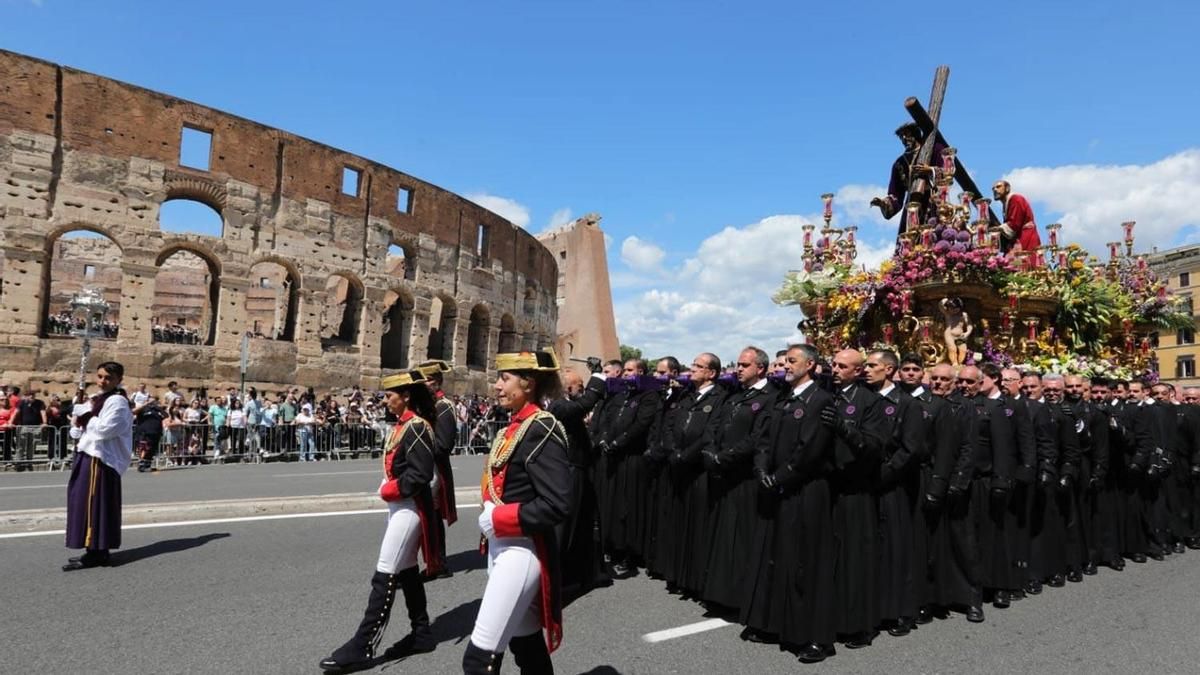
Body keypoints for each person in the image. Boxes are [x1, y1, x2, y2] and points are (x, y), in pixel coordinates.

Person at [320, 370, 439, 673]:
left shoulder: (416, 427)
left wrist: (389, 488)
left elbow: (421, 475)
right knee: (408, 572)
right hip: (398, 508)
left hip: (409, 508)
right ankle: (421, 632)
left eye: (390, 395)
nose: (386, 400)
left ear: (406, 395)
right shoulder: (402, 426)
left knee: (385, 573)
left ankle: (362, 645)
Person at [465, 349, 571, 674]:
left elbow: (557, 503)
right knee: (527, 650)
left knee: (478, 660)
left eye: (504, 378)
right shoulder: (514, 427)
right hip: (501, 550)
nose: (496, 385)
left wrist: (499, 517)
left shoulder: (541, 428)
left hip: (521, 552)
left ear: (528, 383)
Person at [63, 362, 133, 571]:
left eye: (108, 378)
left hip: (101, 459)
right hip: (89, 454)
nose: (103, 381)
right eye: (100, 376)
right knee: (84, 501)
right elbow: (85, 428)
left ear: (119, 380)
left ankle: (97, 551)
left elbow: (105, 430)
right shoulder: (96, 399)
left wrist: (85, 415)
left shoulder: (118, 402)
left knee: (93, 504)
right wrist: (78, 422)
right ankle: (94, 550)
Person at [418, 359, 458, 580]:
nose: (424, 384)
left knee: (431, 517)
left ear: (437, 381)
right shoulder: (426, 406)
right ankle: (434, 561)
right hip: (423, 467)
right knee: (426, 516)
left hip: (434, 469)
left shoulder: (444, 407)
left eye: (428, 380)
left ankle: (438, 562)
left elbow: (444, 444)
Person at [992, 180, 1040, 253]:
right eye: (993, 189)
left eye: (998, 187)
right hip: (1019, 237)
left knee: (1024, 262)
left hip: (1026, 237)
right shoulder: (1007, 203)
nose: (995, 189)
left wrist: (997, 229)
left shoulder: (1016, 199)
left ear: (1007, 188)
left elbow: (1014, 224)